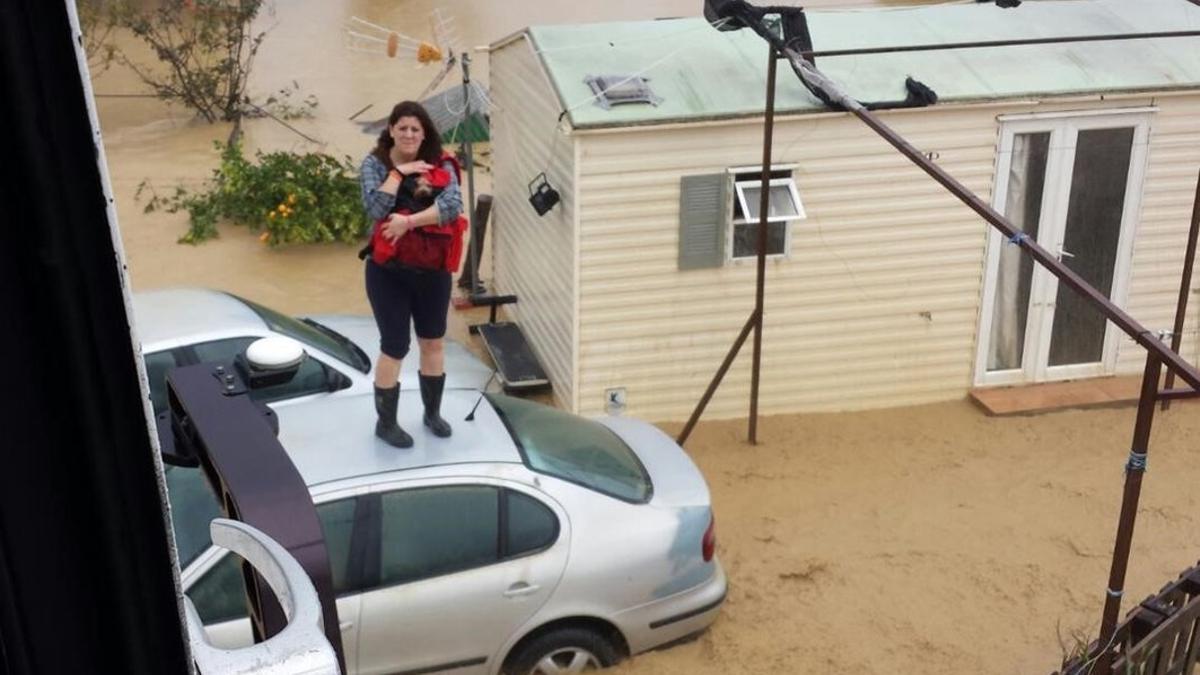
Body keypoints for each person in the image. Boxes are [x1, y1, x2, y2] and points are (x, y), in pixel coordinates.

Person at [359, 100, 465, 448]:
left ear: (424, 134)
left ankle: (431, 414)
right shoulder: (375, 165)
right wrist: (398, 174)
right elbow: (376, 207)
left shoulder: (442, 162)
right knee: (395, 347)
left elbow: (451, 207)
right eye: (401, 128)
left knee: (432, 341)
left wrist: (408, 222)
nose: (408, 134)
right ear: (390, 130)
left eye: (414, 129)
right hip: (387, 272)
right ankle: (385, 424)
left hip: (432, 270)